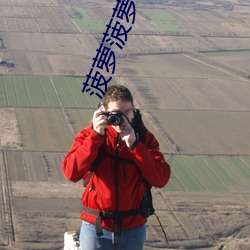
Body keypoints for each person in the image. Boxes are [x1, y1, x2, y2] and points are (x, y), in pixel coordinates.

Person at [62, 85, 171, 250]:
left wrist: (135, 146)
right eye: (116, 113)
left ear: (133, 111)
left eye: (127, 112)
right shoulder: (90, 135)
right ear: (103, 110)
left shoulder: (144, 139)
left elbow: (161, 178)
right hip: (96, 226)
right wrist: (96, 137)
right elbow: (71, 172)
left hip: (132, 228)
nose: (122, 119)